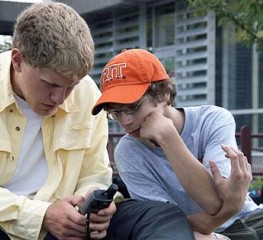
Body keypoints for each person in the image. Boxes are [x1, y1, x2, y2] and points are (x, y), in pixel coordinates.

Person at [0, 3, 195, 240]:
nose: (61, 98)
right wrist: (42, 215)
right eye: (50, 84)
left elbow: (95, 174)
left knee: (160, 216)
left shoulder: (87, 92)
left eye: (71, 86)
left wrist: (95, 203)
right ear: (18, 60)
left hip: (71, 227)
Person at [92, 48, 262, 240]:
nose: (125, 121)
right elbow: (166, 223)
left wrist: (167, 136)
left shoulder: (212, 119)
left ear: (163, 94)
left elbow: (215, 200)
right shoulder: (128, 151)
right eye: (115, 112)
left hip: (252, 218)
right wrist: (229, 208)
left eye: (132, 107)